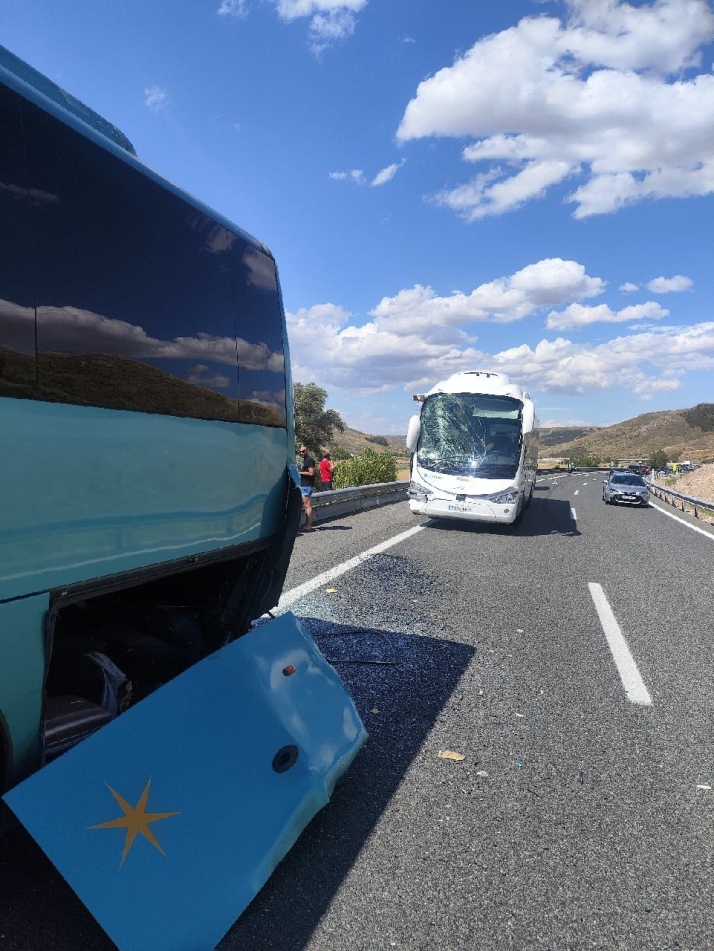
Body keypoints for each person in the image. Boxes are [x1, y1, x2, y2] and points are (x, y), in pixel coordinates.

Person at [298, 444, 316, 530]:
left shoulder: (309, 460)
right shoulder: (305, 460)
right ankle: (306, 524)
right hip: (304, 485)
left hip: (307, 485)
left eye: (303, 451)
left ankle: (308, 525)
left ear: (307, 451)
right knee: (305, 505)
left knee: (307, 505)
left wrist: (299, 473)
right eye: (300, 451)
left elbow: (311, 473)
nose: (302, 453)